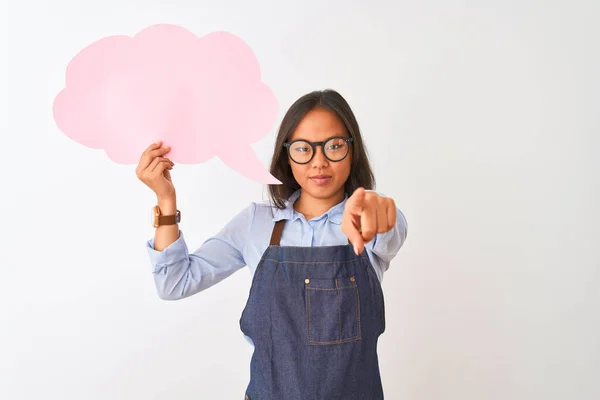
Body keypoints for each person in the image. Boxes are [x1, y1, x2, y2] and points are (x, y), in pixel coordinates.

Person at [136, 89, 408, 399]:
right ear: (286, 154)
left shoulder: (372, 223)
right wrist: (166, 201)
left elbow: (387, 223)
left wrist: (374, 205)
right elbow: (173, 283)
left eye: (334, 146)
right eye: (304, 149)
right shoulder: (256, 224)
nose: (319, 162)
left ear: (352, 150)